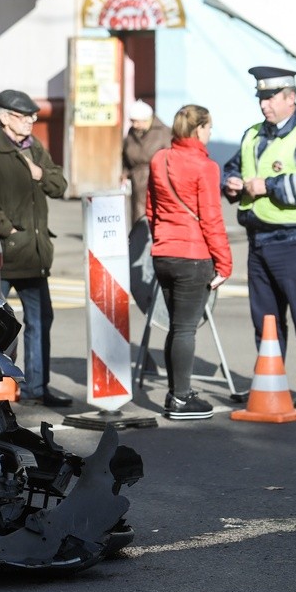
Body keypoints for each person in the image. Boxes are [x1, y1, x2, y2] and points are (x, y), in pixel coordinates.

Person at [222, 66, 296, 410]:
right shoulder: (253, 134)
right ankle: (269, 385)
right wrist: (229, 184)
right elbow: (231, 167)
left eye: (271, 98)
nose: (264, 106)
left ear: (291, 97)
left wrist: (267, 186)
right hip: (258, 239)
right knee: (266, 322)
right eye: (261, 98)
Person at [0, 89, 70, 406]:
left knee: (40, 321)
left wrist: (40, 173)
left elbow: (59, 186)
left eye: (34, 117)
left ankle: (37, 388)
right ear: (6, 118)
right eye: (25, 117)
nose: (31, 123)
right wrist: (6, 228)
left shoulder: (35, 148)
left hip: (34, 254)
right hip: (3, 255)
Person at [147, 105, 233, 420]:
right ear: (198, 130)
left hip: (163, 253)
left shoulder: (160, 159)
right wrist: (225, 263)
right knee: (185, 329)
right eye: (209, 128)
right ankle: (181, 399)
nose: (210, 134)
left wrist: (163, 240)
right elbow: (211, 219)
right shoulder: (205, 167)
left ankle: (178, 394)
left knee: (175, 328)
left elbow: (151, 210)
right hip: (192, 256)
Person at [122, 99, 172, 227]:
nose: (134, 125)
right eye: (132, 121)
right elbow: (125, 154)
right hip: (136, 179)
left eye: (137, 121)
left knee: (154, 213)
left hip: (157, 178)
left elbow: (170, 157)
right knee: (137, 214)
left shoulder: (163, 132)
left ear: (147, 119)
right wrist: (124, 173)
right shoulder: (132, 133)